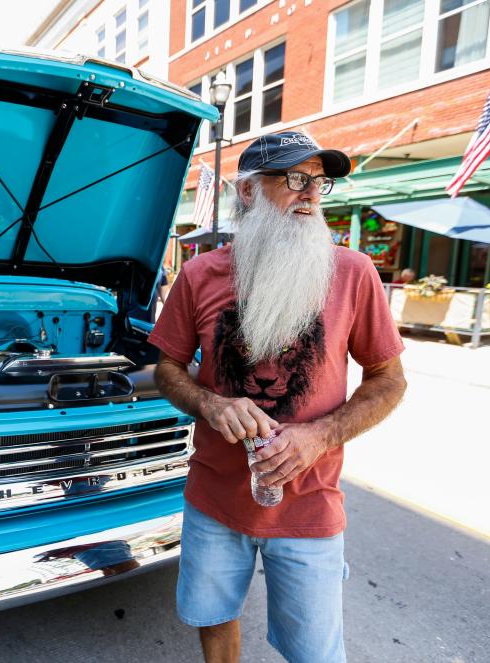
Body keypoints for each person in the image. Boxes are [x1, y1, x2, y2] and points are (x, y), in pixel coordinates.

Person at [149, 131, 407, 663]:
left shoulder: (353, 273)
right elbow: (168, 369)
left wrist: (321, 435)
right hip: (214, 499)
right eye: (293, 179)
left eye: (319, 182)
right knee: (213, 618)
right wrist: (210, 403)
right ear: (248, 192)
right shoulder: (199, 275)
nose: (310, 194)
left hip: (309, 504)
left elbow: (388, 379)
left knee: (314, 651)